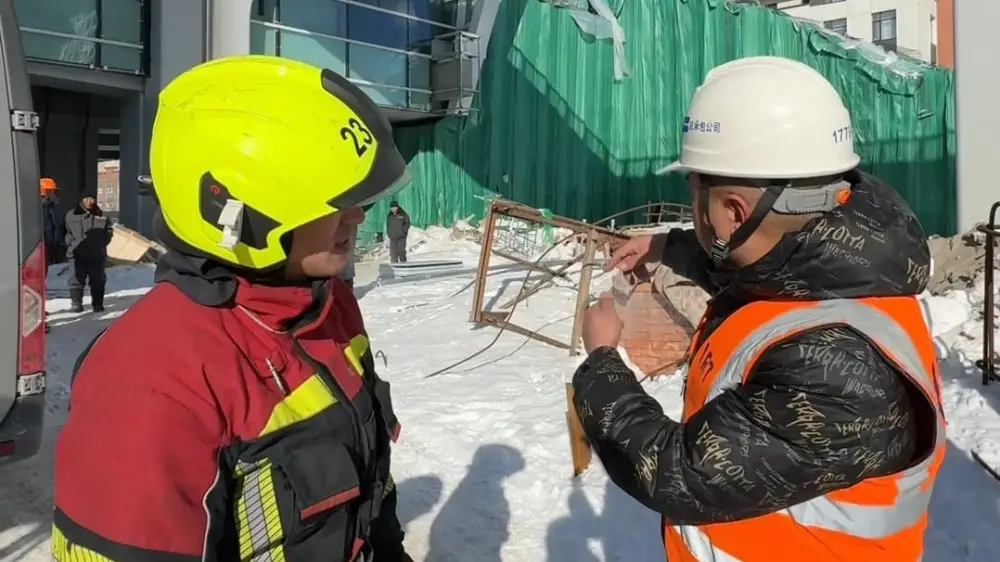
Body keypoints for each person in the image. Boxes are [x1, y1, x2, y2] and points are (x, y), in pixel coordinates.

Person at [572, 56, 946, 561]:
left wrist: (602, 361)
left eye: (696, 196)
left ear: (733, 212)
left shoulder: (831, 369)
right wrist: (668, 246)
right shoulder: (844, 262)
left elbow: (675, 474)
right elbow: (762, 265)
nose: (694, 213)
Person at [52, 56, 414, 562]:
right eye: (333, 201)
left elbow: (371, 483)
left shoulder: (328, 305)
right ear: (241, 212)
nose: (356, 215)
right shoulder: (152, 381)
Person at [64, 194, 112, 313]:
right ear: (81, 200)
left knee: (98, 281)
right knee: (75, 280)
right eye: (87, 198)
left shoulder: (102, 216)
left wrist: (100, 244)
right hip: (76, 255)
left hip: (96, 255)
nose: (90, 201)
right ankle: (76, 304)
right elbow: (66, 232)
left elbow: (109, 233)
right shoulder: (71, 215)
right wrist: (71, 243)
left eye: (92, 198)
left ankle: (97, 304)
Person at [40, 177, 62, 266]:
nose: (55, 194)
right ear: (46, 192)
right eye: (53, 191)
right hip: (45, 248)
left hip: (52, 247)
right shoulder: (39, 208)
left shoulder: (51, 207)